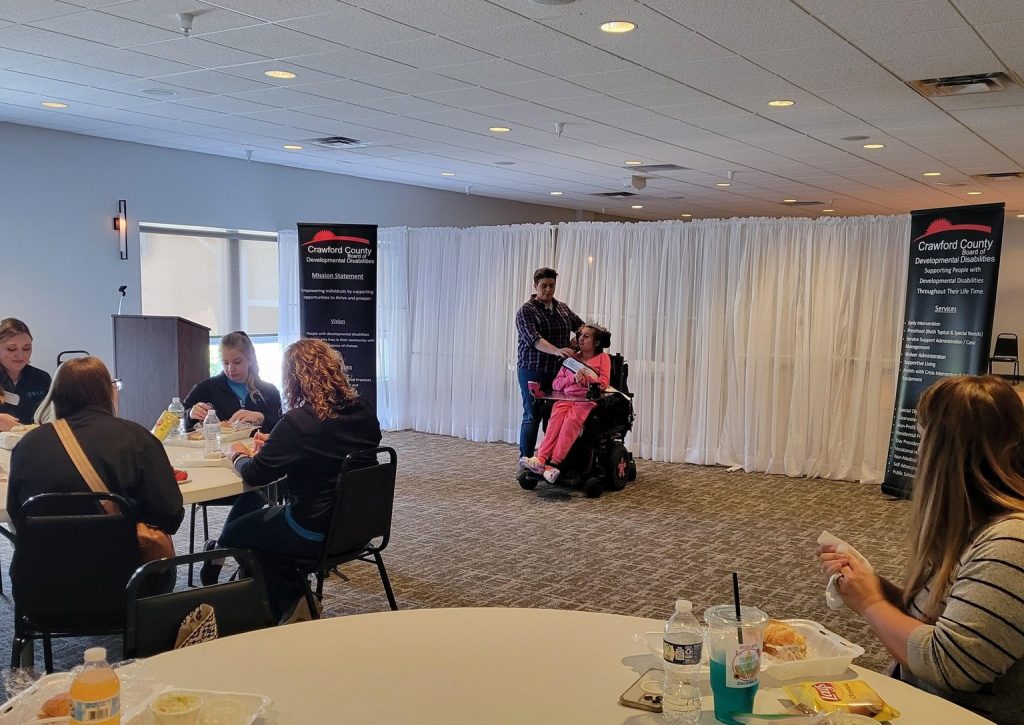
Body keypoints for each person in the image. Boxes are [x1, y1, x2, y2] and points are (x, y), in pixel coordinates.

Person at [817, 375, 1024, 724]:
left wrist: (871, 603)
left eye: (923, 438)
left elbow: (951, 664)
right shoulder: (977, 527)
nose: (918, 452)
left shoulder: (1011, 543)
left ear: (945, 453)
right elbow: (945, 621)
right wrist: (876, 588)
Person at [203, 338, 382, 622]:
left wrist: (236, 454)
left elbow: (255, 473)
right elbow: (331, 445)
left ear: (293, 379)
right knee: (263, 534)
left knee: (235, 534)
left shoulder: (299, 422)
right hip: (359, 525)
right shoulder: (363, 410)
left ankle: (293, 598)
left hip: (312, 528)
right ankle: (290, 596)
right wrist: (278, 442)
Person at [7, 357, 184, 577]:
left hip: (42, 583)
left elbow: (17, 514)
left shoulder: (27, 444)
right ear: (106, 392)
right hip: (124, 578)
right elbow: (170, 514)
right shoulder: (136, 438)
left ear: (56, 395)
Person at [520, 324, 612, 483]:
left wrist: (586, 380)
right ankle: (541, 459)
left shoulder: (603, 358)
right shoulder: (572, 359)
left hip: (587, 400)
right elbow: (556, 384)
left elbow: (603, 383)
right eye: (580, 335)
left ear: (596, 342)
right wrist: (572, 378)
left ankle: (554, 464)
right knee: (554, 421)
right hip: (566, 398)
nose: (580, 339)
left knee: (570, 422)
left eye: (586, 336)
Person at [515, 267, 583, 460]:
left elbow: (581, 327)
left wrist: (577, 341)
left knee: (554, 417)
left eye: (551, 285)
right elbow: (535, 340)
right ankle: (526, 459)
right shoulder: (525, 312)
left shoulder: (562, 308)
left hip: (558, 373)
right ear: (535, 286)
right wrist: (558, 350)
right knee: (532, 414)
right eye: (543, 286)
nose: (548, 290)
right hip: (532, 370)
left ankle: (547, 458)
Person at [183, 330, 281, 434]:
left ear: (250, 360)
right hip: (218, 449)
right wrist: (190, 414)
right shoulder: (206, 387)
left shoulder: (269, 390)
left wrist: (262, 418)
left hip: (259, 448)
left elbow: (282, 428)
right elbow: (176, 420)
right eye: (225, 363)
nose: (230, 368)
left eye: (237, 362)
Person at [0, 318, 51, 432]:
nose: (20, 355)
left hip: (31, 444)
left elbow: (53, 421)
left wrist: (20, 429)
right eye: (11, 349)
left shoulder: (42, 379)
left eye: (26, 349)